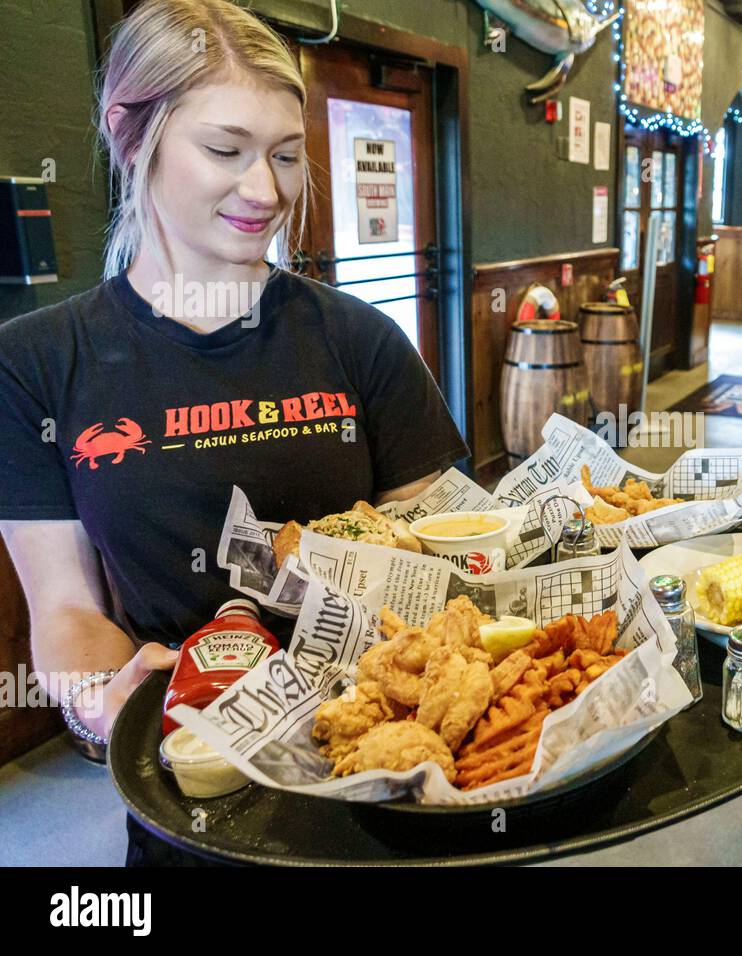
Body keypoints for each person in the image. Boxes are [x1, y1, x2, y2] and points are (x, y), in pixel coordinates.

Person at [0, 0, 468, 862]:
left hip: (378, 780)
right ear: (129, 134)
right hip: (194, 788)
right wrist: (103, 697)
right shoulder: (34, 361)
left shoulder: (359, 338)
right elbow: (64, 606)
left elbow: (449, 554)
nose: (267, 190)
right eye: (225, 150)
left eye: (286, 155)